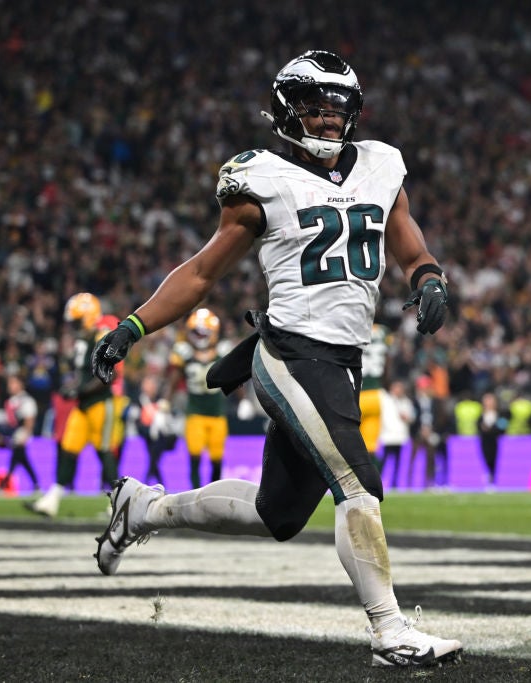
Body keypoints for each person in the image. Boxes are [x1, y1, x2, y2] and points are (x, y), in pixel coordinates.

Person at [89, 50, 463, 667]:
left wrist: (427, 278)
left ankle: (143, 508)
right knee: (356, 483)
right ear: (288, 113)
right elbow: (204, 273)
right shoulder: (260, 177)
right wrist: (132, 326)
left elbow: (407, 239)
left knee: (278, 513)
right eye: (315, 113)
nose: (329, 125)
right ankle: (389, 632)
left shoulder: (380, 164)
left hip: (343, 359)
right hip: (289, 352)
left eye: (338, 113)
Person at [28, 297, 127, 517]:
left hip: (102, 402)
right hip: (83, 404)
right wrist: (71, 387)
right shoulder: (85, 338)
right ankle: (52, 500)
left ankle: (118, 504)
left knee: (105, 452)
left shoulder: (102, 334)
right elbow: (83, 374)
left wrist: (79, 390)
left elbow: (110, 373)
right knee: (69, 448)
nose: (73, 325)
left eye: (76, 320)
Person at [166, 308, 233, 488]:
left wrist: (243, 400)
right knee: (194, 456)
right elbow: (174, 379)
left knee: (216, 459)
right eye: (196, 331)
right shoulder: (184, 352)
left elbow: (234, 376)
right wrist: (164, 403)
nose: (199, 335)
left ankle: (213, 494)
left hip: (217, 412)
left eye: (202, 331)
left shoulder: (222, 350)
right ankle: (195, 494)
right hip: (195, 412)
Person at [0, 372, 40, 494]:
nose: (10, 386)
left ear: (20, 384)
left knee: (16, 459)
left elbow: (29, 420)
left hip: (20, 435)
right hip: (12, 434)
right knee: (22, 460)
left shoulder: (26, 400)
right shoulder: (10, 401)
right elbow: (8, 422)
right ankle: (36, 484)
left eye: (13, 383)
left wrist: (25, 435)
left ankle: (3, 485)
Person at [133, 375, 177, 487]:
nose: (150, 387)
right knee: (154, 460)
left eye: (152, 385)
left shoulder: (161, 400)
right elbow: (136, 418)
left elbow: (171, 418)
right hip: (147, 435)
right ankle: (159, 484)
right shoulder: (139, 400)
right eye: (148, 385)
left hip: (161, 436)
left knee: (153, 459)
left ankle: (147, 483)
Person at [358, 323, 391, 458]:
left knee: (350, 444)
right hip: (376, 395)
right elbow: (388, 363)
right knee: (370, 447)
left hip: (356, 394)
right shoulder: (384, 331)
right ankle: (373, 478)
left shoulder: (355, 325)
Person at [377, 380, 414, 489]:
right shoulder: (386, 400)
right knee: (383, 462)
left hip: (400, 437)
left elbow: (411, 418)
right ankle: (378, 483)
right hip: (387, 437)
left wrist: (407, 418)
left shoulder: (406, 402)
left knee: (398, 463)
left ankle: (395, 484)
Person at [477, 392, 507, 491]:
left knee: (496, 460)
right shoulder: (480, 416)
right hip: (485, 441)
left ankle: (495, 480)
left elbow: (503, 427)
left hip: (496, 441)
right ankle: (488, 479)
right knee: (486, 459)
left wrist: (491, 430)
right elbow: (478, 426)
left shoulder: (500, 415)